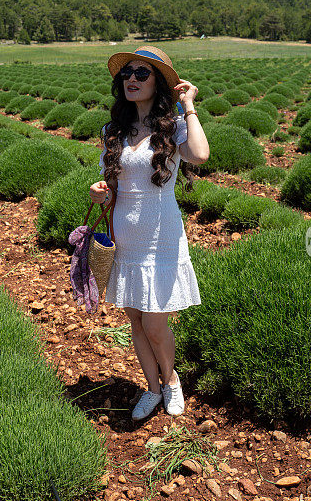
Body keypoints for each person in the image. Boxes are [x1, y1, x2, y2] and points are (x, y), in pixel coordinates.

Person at [89, 46, 209, 421]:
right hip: (125, 234)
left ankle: (171, 381)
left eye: (142, 73)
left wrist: (187, 104)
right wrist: (99, 190)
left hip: (161, 236)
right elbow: (114, 182)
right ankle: (152, 388)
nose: (132, 79)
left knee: (156, 322)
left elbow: (201, 155)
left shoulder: (172, 127)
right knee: (135, 320)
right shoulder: (114, 131)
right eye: (126, 74)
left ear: (159, 83)